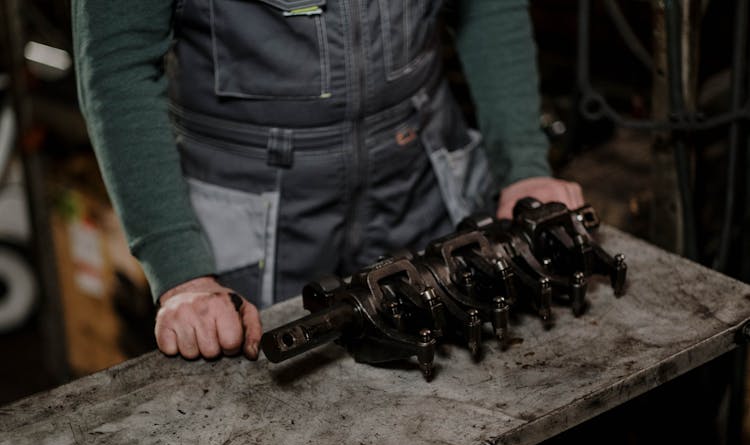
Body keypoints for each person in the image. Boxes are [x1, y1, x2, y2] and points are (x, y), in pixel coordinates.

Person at [72, 0, 584, 361]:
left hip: (421, 178)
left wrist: (524, 166)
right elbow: (118, 65)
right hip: (254, 218)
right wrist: (182, 273)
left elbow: (489, 8)